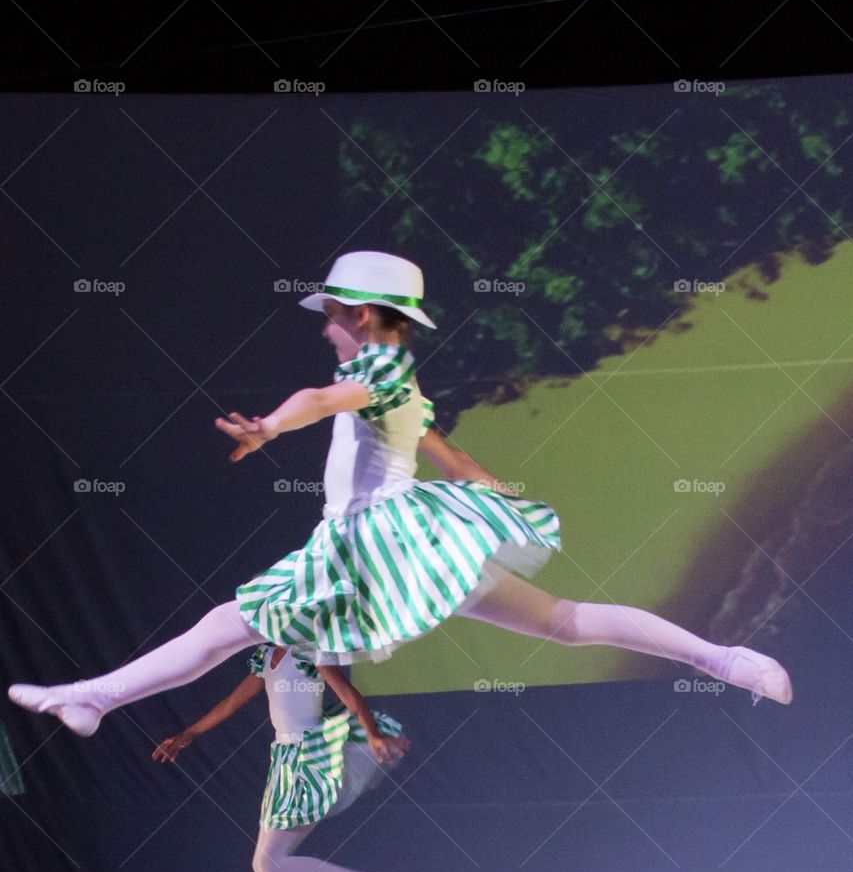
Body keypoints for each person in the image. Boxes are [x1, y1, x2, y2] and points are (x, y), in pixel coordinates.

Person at [7, 249, 792, 739]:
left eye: (332, 318)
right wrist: (489, 491)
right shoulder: (400, 381)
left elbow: (322, 398)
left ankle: (92, 699)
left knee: (227, 625)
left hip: (368, 543)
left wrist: (271, 427)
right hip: (406, 540)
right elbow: (441, 447)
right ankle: (730, 661)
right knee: (561, 622)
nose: (325, 329)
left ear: (358, 316)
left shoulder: (373, 368)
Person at [152, 641, 409, 872]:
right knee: (268, 867)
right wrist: (189, 733)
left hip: (309, 757)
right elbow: (234, 700)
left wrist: (372, 733)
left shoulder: (308, 649)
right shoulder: (266, 655)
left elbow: (347, 693)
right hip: (285, 759)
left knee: (270, 865)